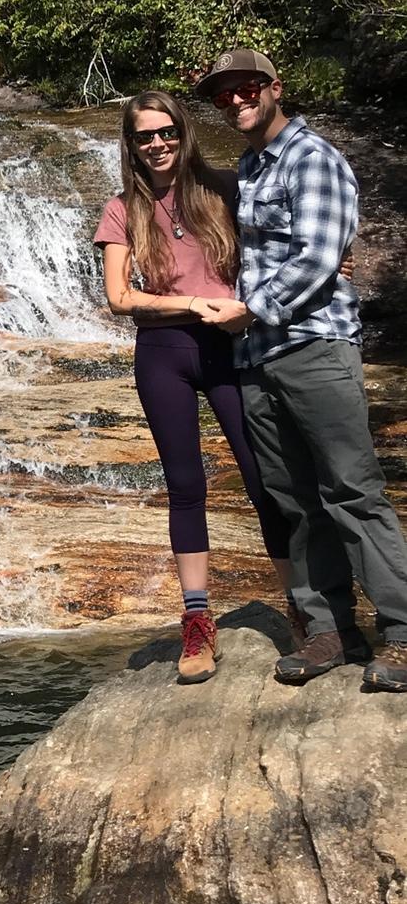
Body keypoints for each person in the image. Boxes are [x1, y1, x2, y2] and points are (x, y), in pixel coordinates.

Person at [194, 48, 407, 690]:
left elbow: (319, 255)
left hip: (314, 346)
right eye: (223, 93)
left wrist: (247, 311)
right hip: (258, 358)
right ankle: (329, 631)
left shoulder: (312, 158)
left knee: (352, 491)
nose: (235, 99)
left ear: (274, 88)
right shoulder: (254, 167)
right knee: (293, 501)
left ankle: (400, 633)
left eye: (247, 87)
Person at [94, 90, 294, 685]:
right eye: (143, 136)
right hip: (164, 352)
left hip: (232, 348)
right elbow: (119, 299)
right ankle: (198, 622)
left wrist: (336, 262)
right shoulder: (121, 208)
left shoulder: (225, 189)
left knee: (265, 481)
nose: (157, 144)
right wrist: (195, 302)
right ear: (130, 145)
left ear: (183, 134)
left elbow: (290, 238)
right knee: (186, 486)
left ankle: (301, 609)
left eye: (166, 133)